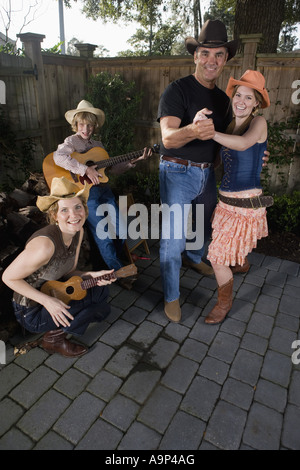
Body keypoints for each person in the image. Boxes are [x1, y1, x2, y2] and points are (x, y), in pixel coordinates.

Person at [157, 19, 269, 323]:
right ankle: (171, 296)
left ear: (225, 59)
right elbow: (167, 138)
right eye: (206, 53)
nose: (212, 60)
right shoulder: (177, 90)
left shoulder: (224, 100)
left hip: (208, 175)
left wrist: (256, 153)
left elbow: (235, 142)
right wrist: (194, 129)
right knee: (172, 239)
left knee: (206, 228)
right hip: (176, 173)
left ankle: (195, 260)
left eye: (219, 55)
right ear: (196, 55)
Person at [2, 177, 116, 358]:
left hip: (56, 289)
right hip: (32, 309)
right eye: (64, 210)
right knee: (94, 309)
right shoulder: (45, 246)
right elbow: (8, 277)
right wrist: (48, 302)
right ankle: (54, 340)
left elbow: (69, 272)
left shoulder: (77, 232)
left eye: (78, 207)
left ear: (84, 209)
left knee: (101, 292)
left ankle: (82, 315)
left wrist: (94, 274)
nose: (74, 215)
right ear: (55, 215)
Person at [197, 70, 272, 325]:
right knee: (222, 249)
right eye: (238, 95)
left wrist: (211, 133)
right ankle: (240, 262)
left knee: (216, 258)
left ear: (256, 104)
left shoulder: (258, 122)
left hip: (245, 204)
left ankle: (223, 303)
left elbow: (243, 145)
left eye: (248, 98)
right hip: (226, 203)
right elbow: (225, 158)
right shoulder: (231, 124)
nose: (241, 101)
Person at [53, 100, 151, 289]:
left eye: (90, 125)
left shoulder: (98, 145)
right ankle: (119, 273)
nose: (86, 129)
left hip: (104, 191)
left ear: (94, 126)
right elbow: (58, 157)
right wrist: (84, 170)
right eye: (82, 124)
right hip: (87, 195)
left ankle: (114, 262)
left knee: (121, 229)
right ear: (76, 124)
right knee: (103, 235)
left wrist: (133, 161)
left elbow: (112, 170)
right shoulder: (71, 142)